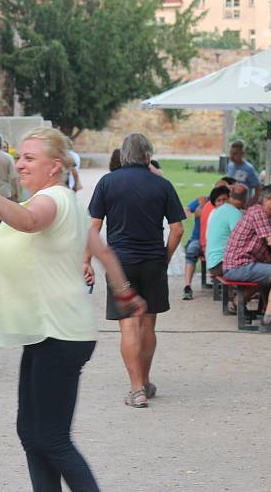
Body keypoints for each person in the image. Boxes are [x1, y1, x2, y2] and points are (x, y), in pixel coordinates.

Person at [0, 127, 146, 491]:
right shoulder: (67, 203)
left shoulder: (53, 200)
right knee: (31, 432)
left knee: (51, 437)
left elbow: (29, 223)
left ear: (54, 166)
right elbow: (104, 251)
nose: (20, 164)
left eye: (30, 158)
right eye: (19, 157)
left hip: (59, 333)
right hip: (49, 331)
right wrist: (124, 292)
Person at [86, 133, 185, 408]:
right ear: (147, 156)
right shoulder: (161, 184)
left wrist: (86, 261)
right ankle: (146, 380)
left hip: (121, 264)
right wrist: (164, 258)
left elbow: (93, 227)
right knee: (149, 325)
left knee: (128, 325)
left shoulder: (107, 183)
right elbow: (177, 229)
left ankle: (136, 389)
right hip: (153, 261)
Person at [222, 185, 271, 330]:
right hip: (239, 265)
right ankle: (269, 319)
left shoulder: (261, 213)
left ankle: (243, 303)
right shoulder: (258, 213)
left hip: (236, 264)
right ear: (266, 200)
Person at [183, 179, 231, 300]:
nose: (221, 201)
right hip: (198, 239)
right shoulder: (204, 200)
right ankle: (187, 285)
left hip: (216, 243)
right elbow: (187, 209)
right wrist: (196, 209)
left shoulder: (228, 208)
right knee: (191, 251)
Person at [205, 183, 247, 279]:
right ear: (245, 198)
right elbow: (243, 240)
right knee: (265, 271)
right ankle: (242, 294)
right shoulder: (234, 212)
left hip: (213, 262)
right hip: (221, 263)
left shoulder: (218, 210)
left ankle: (240, 294)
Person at [199, 178, 234, 255]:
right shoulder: (225, 211)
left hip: (206, 247)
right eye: (219, 200)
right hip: (213, 251)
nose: (222, 203)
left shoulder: (208, 205)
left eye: (224, 200)